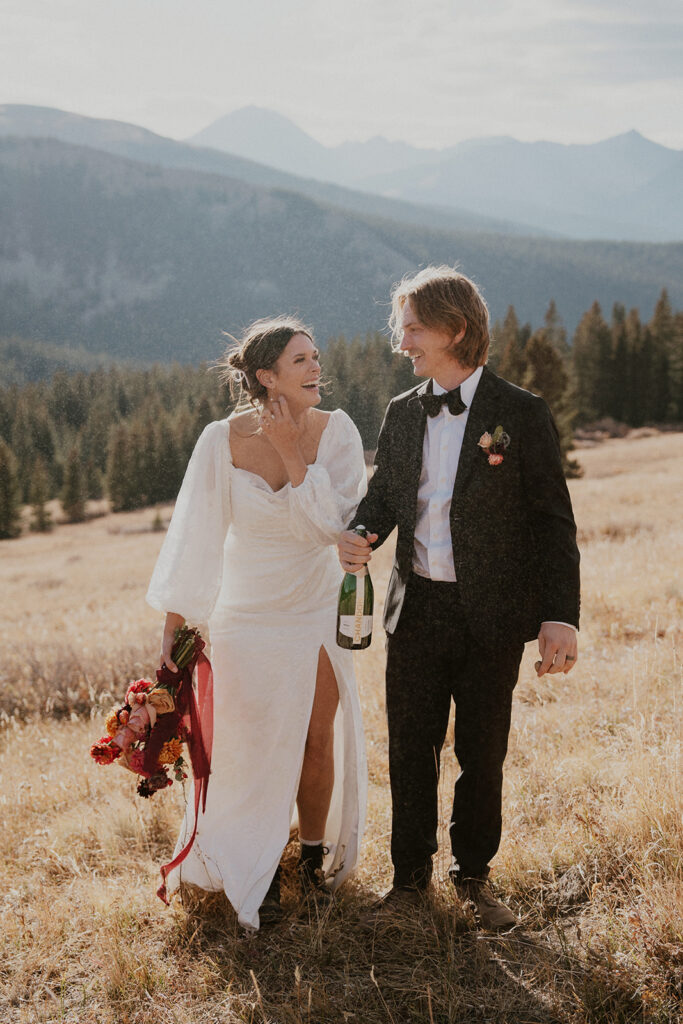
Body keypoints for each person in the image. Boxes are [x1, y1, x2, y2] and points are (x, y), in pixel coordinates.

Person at [338, 266, 580, 931]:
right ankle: (408, 885)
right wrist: (361, 533)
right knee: (410, 749)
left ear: (456, 329)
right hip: (413, 611)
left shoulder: (521, 414)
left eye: (412, 328)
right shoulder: (400, 412)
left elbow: (552, 522)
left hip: (494, 614)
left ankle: (473, 877)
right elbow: (386, 498)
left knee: (482, 750)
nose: (402, 343)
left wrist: (560, 615)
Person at [147, 317, 368, 930]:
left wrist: (296, 454)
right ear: (266, 375)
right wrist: (174, 622)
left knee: (313, 738)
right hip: (244, 615)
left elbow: (336, 528)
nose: (317, 366)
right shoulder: (220, 439)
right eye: (301, 360)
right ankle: (258, 865)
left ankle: (313, 858)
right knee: (247, 745)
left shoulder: (337, 432)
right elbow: (195, 534)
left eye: (316, 355)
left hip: (315, 607)